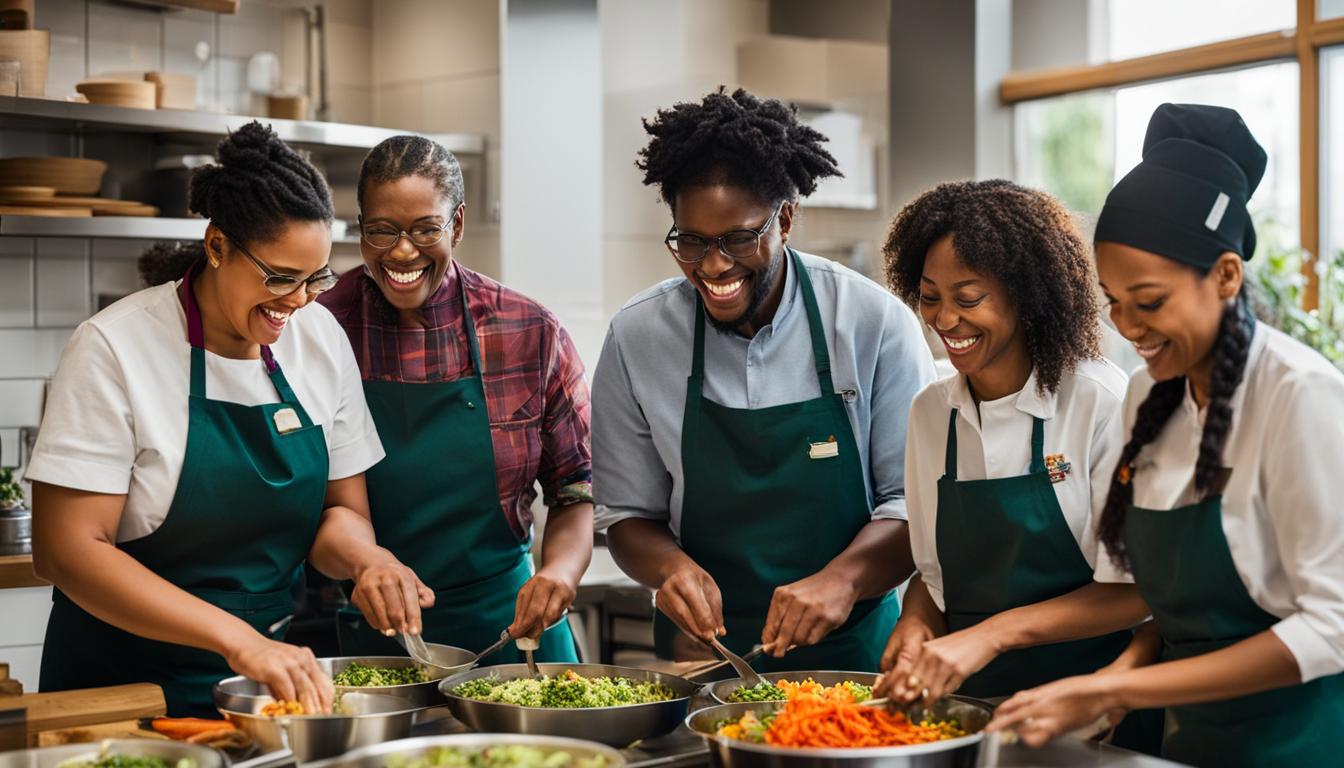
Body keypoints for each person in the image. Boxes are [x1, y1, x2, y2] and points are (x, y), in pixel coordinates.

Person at [987, 103, 1344, 767]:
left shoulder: (1301, 396)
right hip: (1192, 743)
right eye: (1113, 301)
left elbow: (1332, 627)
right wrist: (1109, 683)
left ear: (1227, 277)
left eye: (1148, 302)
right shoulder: (1150, 396)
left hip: (1302, 745)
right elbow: (1167, 601)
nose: (1127, 326)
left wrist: (1124, 685)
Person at [28, 122, 423, 716]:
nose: (298, 301)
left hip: (260, 694)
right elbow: (66, 550)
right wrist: (239, 640)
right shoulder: (115, 346)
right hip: (121, 690)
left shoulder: (318, 338)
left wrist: (368, 560)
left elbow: (339, 512)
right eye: (279, 277)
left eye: (315, 278)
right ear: (217, 247)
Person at [592, 88, 936, 671]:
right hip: (700, 657)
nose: (714, 265)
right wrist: (669, 570)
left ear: (786, 218)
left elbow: (916, 506)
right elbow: (627, 513)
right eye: (693, 241)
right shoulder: (637, 337)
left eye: (739, 239)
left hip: (850, 653)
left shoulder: (872, 323)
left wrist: (844, 580)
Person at [874, 180, 1157, 751]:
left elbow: (1138, 591)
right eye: (930, 297)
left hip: (1093, 716)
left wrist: (993, 635)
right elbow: (935, 580)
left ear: (1026, 296)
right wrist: (916, 622)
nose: (945, 320)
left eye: (968, 298)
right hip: (969, 719)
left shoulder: (1101, 404)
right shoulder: (931, 412)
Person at [319, 136, 592, 662]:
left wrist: (559, 571)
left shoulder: (528, 330)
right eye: (382, 230)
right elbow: (311, 511)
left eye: (426, 229)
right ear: (360, 226)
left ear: (458, 225)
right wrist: (365, 563)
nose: (402, 251)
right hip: (382, 639)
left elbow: (576, 487)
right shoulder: (321, 329)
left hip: (515, 629)